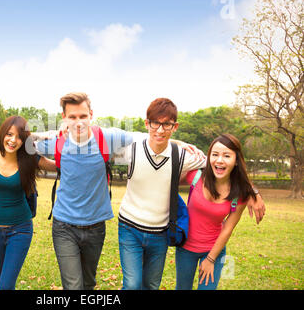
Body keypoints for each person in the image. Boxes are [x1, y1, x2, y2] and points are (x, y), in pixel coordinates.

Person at [35, 92, 199, 290]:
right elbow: (20, 144)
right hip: (64, 226)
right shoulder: (55, 140)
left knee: (88, 283)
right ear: (64, 118)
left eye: (83, 116)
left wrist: (180, 144)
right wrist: (54, 161)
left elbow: (149, 137)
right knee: (73, 285)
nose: (78, 122)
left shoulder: (108, 137)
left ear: (91, 115)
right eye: (72, 117)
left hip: (96, 226)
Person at [117, 98, 207, 290]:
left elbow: (219, 163)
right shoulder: (131, 148)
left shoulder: (182, 156)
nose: (160, 129)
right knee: (132, 285)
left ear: (175, 126)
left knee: (151, 285)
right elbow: (97, 143)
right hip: (129, 228)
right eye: (155, 123)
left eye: (166, 124)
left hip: (160, 233)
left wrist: (253, 192)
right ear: (146, 123)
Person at [175, 133, 259, 290]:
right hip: (185, 248)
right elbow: (167, 172)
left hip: (214, 251)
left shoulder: (240, 193)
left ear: (235, 161)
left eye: (227, 155)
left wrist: (211, 259)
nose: (219, 160)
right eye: (215, 155)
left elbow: (228, 228)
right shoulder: (196, 175)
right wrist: (179, 143)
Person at [0, 116, 56, 290]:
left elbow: (59, 165)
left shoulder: (30, 159)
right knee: (5, 282)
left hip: (20, 230)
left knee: (5, 286)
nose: (13, 140)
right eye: (9, 134)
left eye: (19, 137)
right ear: (2, 134)